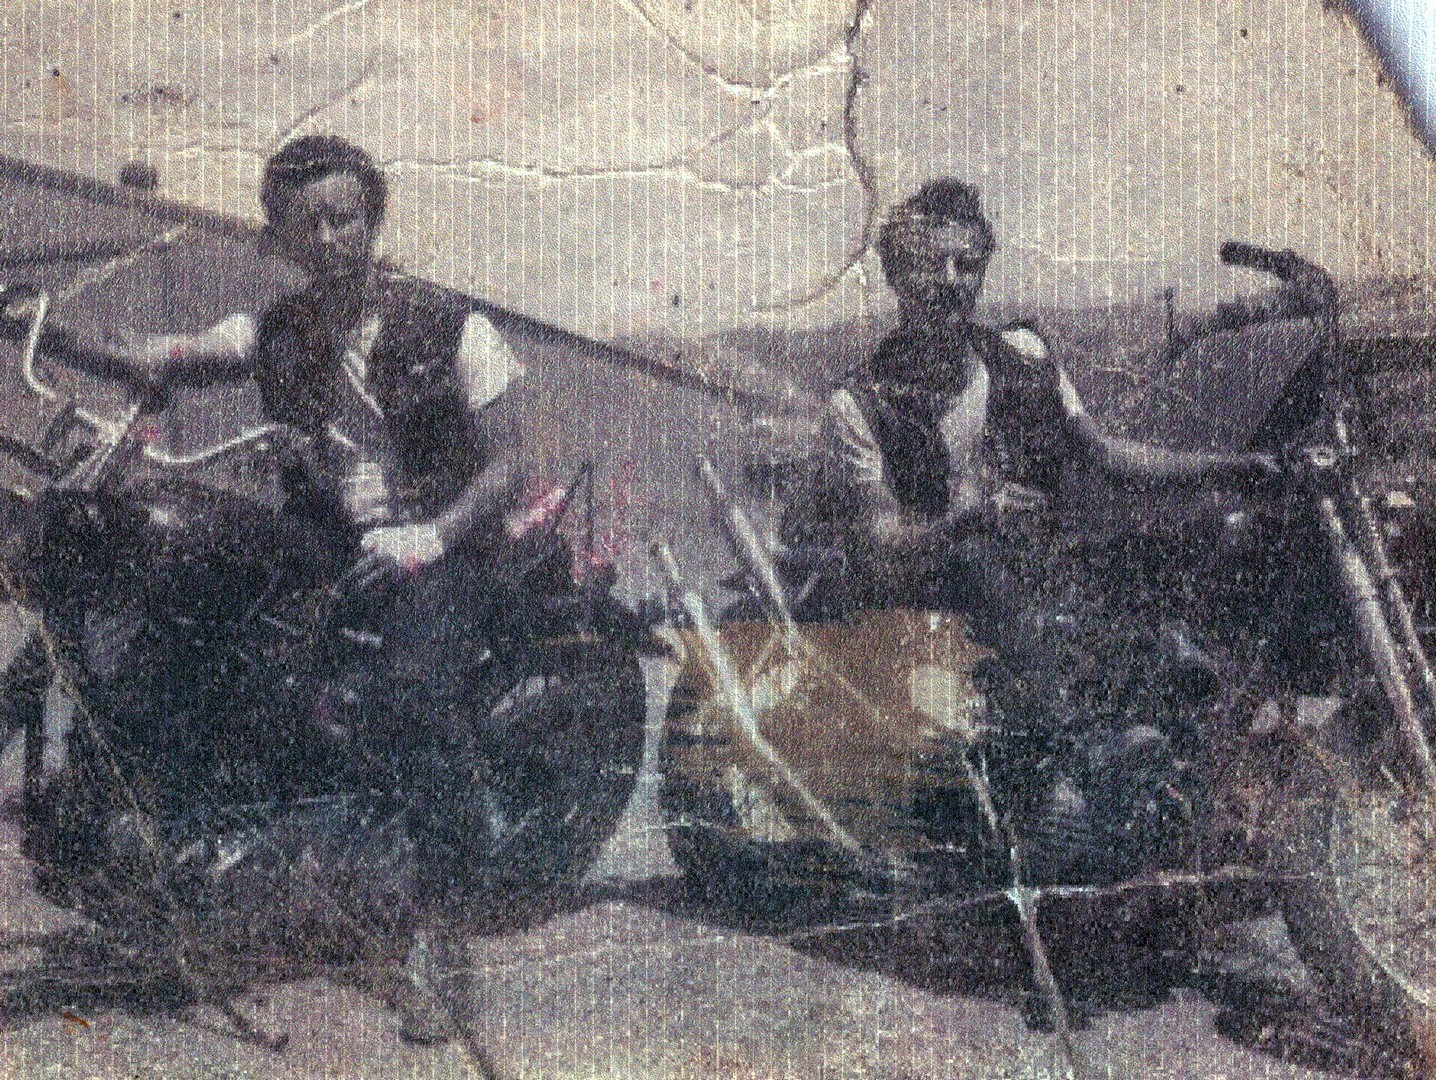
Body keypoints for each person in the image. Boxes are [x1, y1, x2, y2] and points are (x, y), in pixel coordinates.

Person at [59, 135, 532, 1042]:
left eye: (342, 217)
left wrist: (428, 536)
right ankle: (181, 834)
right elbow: (155, 354)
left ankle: (442, 934)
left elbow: (512, 463)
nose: (327, 238)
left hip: (444, 547)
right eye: (304, 223)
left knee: (410, 696)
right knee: (196, 581)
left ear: (372, 221)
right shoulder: (274, 329)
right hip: (331, 540)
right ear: (278, 236)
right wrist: (42, 329)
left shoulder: (453, 325)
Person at [781, 179, 1282, 884]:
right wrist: (967, 516)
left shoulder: (1022, 356)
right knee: (980, 564)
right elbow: (879, 542)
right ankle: (1058, 794)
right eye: (930, 264)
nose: (951, 281)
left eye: (967, 264)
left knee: (1177, 564)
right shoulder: (857, 405)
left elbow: (1107, 455)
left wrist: (1226, 467)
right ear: (896, 275)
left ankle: (1171, 763)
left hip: (1035, 582)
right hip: (934, 609)